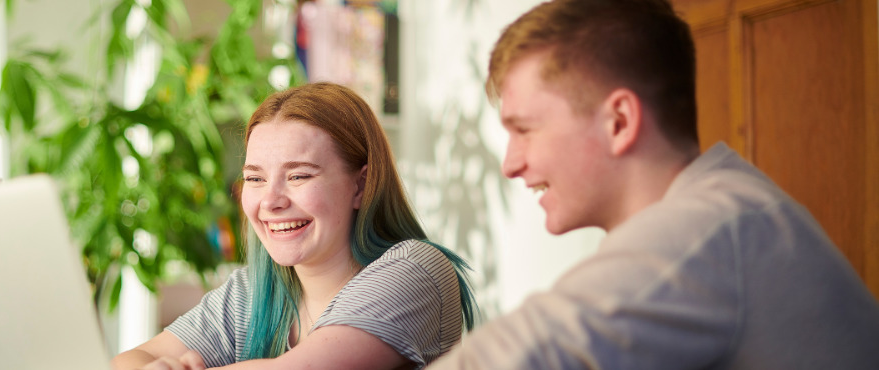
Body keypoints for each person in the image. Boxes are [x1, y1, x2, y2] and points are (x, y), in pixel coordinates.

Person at [428, 0, 879, 368]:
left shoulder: (711, 228)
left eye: (524, 129)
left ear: (619, 122)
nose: (510, 164)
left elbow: (514, 357)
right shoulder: (728, 205)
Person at [112, 82, 480, 370]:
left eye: (299, 175)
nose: (271, 201)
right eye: (255, 179)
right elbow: (127, 360)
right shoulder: (254, 291)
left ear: (361, 185)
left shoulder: (416, 270)